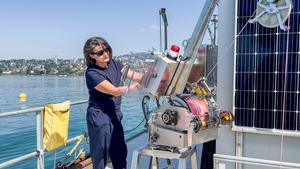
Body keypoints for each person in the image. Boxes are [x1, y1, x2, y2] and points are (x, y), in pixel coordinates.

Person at [83, 37, 142, 169]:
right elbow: (115, 91)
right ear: (92, 55)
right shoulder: (92, 73)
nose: (105, 54)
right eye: (100, 53)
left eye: (107, 49)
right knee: (101, 154)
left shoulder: (115, 64)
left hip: (115, 114)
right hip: (100, 115)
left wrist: (155, 74)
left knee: (119, 151)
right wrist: (133, 86)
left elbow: (135, 75)